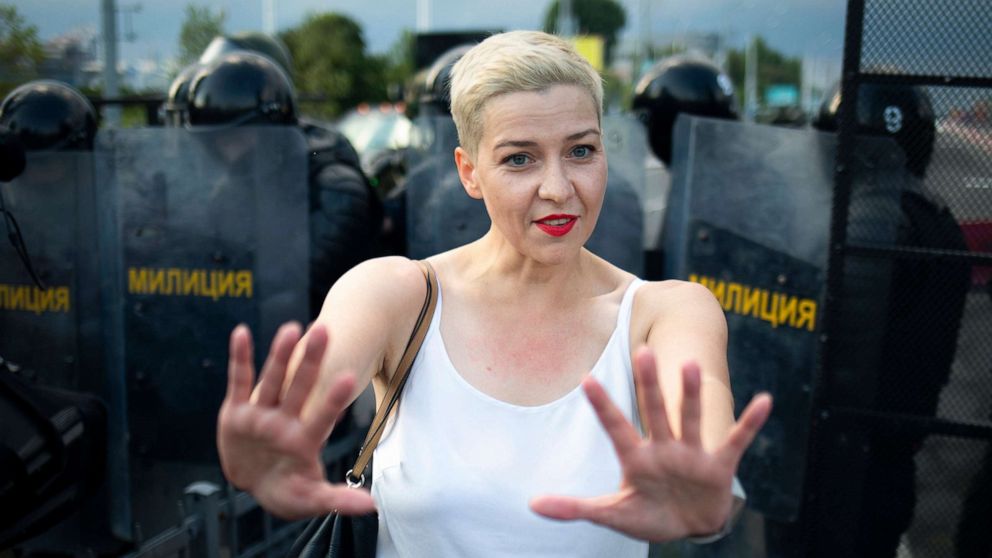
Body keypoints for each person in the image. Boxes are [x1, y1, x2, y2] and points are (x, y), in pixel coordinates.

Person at [216, 31, 772, 556]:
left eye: (581, 151)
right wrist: (274, 444)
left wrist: (705, 490)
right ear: (470, 171)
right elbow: (306, 396)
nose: (558, 188)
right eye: (519, 159)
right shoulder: (396, 296)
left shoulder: (664, 313)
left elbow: (704, 432)